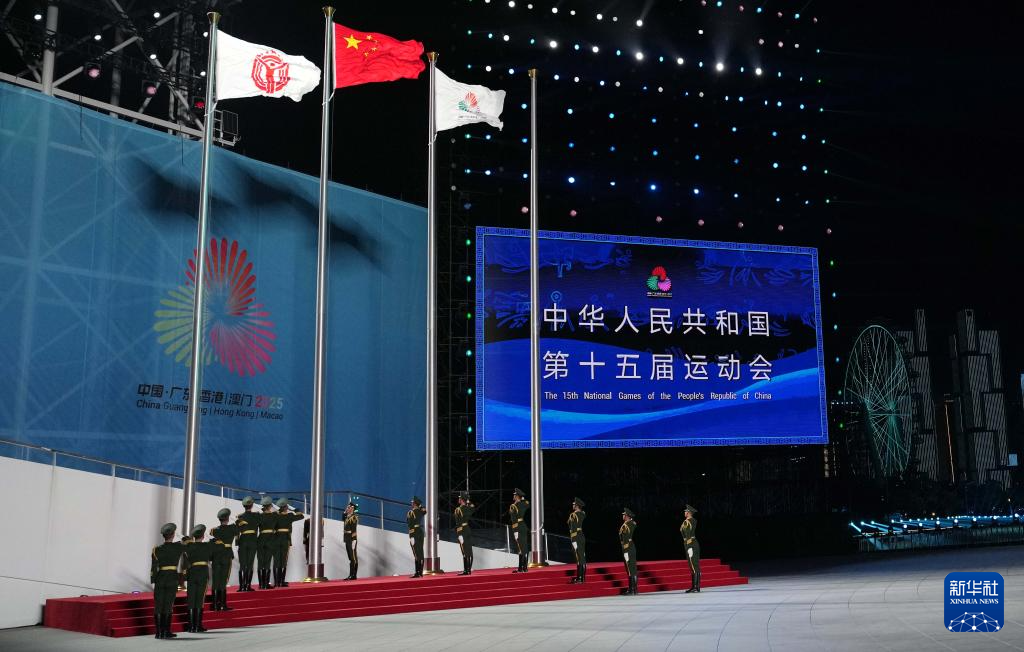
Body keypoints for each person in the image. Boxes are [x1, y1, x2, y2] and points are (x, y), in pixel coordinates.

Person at [150, 523, 184, 639]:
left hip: (160, 578)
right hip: (172, 579)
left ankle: (159, 633)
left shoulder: (156, 549)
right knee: (168, 605)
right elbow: (188, 543)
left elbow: (154, 567)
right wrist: (183, 537)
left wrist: (153, 581)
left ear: (163, 536)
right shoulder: (178, 547)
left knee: (159, 605)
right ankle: (166, 631)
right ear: (173, 535)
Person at [183, 524, 215, 633]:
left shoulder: (189, 546)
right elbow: (211, 556)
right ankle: (198, 626)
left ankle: (191, 626)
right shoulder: (207, 546)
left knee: (191, 600)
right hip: (202, 574)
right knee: (200, 600)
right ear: (203, 536)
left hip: (192, 573)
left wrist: (187, 541)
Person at [209, 508, 239, 611]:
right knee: (223, 581)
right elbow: (239, 528)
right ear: (227, 518)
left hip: (217, 556)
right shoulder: (232, 529)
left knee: (216, 581)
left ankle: (214, 605)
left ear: (219, 519)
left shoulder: (214, 530)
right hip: (226, 555)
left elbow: (211, 535)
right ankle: (222, 605)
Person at [274, 498, 304, 588]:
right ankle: (281, 581)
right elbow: (301, 516)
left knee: (276, 561)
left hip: (276, 539)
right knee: (283, 561)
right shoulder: (289, 516)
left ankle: (276, 582)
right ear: (286, 507)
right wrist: (295, 510)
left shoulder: (275, 515)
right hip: (285, 540)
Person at [235, 496, 258, 592]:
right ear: (252, 505)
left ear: (244, 506)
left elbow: (236, 532)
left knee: (242, 564)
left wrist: (237, 542)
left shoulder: (239, 517)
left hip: (243, 541)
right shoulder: (256, 515)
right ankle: (248, 586)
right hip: (252, 541)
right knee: (250, 564)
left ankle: (241, 587)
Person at [256, 495, 277, 589]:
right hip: (270, 540)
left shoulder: (259, 516)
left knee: (260, 562)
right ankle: (266, 584)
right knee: (267, 562)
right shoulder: (274, 515)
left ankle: (261, 584)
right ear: (270, 506)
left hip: (260, 539)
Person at [509, 488, 530, 573]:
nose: (513, 496)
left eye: (515, 495)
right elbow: (527, 503)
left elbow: (513, 520)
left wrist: (515, 531)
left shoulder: (513, 506)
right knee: (524, 547)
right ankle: (524, 568)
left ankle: (521, 568)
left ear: (517, 496)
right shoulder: (524, 504)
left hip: (518, 527)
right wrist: (522, 498)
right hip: (523, 526)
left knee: (520, 548)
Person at [681, 504, 701, 593]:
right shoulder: (693, 520)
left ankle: (695, 587)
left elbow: (688, 534)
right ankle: (696, 587)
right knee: (695, 565)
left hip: (690, 544)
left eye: (686, 511)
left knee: (693, 565)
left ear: (689, 513)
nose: (684, 512)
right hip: (694, 543)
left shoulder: (687, 522)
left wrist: (689, 547)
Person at [454, 492, 475, 575]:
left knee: (464, 551)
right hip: (467, 529)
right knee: (469, 550)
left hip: (462, 531)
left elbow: (458, 523)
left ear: (461, 499)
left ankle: (466, 570)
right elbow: (473, 507)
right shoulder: (469, 508)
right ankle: (469, 569)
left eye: (459, 498)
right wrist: (468, 501)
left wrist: (459, 534)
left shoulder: (458, 510)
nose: (458, 499)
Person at [619, 507, 639, 596]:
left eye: (624, 514)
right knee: (633, 568)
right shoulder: (632, 523)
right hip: (632, 546)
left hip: (627, 548)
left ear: (627, 516)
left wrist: (624, 548)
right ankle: (635, 589)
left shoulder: (625, 526)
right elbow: (634, 523)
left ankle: (631, 590)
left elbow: (624, 538)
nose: (623, 515)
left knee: (630, 569)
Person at [568, 497, 586, 584]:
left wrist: (573, 539)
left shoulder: (573, 515)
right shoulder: (582, 513)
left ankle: (580, 578)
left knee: (579, 558)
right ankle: (582, 577)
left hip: (576, 537)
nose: (573, 505)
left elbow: (572, 528)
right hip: (581, 536)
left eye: (574, 504)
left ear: (577, 506)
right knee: (582, 557)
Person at [407, 496, 427, 578]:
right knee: (420, 551)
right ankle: (420, 572)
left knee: (416, 553)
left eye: (412, 502)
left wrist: (411, 536)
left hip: (414, 533)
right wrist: (420, 505)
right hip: (420, 532)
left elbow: (410, 525)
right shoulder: (420, 511)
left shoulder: (411, 512)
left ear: (414, 504)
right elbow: (424, 510)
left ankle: (417, 572)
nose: (411, 503)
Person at [343, 502, 359, 580]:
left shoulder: (354, 517)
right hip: (347, 539)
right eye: (347, 507)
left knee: (353, 557)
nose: (347, 508)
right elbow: (343, 517)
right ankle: (351, 574)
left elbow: (354, 530)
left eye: (349, 507)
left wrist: (354, 540)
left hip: (351, 539)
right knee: (350, 557)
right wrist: (345, 511)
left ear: (352, 508)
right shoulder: (347, 516)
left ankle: (353, 575)